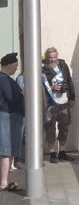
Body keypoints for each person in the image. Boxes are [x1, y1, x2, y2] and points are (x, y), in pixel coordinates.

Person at [42, 47, 75, 163]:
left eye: (55, 57)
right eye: (50, 58)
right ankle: (52, 153)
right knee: (50, 128)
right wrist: (51, 88)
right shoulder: (42, 69)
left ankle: (62, 151)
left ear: (57, 56)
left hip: (64, 101)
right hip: (50, 102)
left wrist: (72, 97)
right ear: (47, 58)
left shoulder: (62, 65)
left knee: (64, 127)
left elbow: (69, 80)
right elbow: (39, 86)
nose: (53, 60)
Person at [0, 53, 24, 191]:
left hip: (9, 116)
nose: (16, 68)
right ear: (8, 65)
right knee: (6, 150)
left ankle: (5, 180)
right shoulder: (4, 79)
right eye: (15, 65)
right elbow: (12, 98)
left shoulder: (5, 79)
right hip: (7, 117)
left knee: (8, 150)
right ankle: (3, 182)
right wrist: (23, 94)